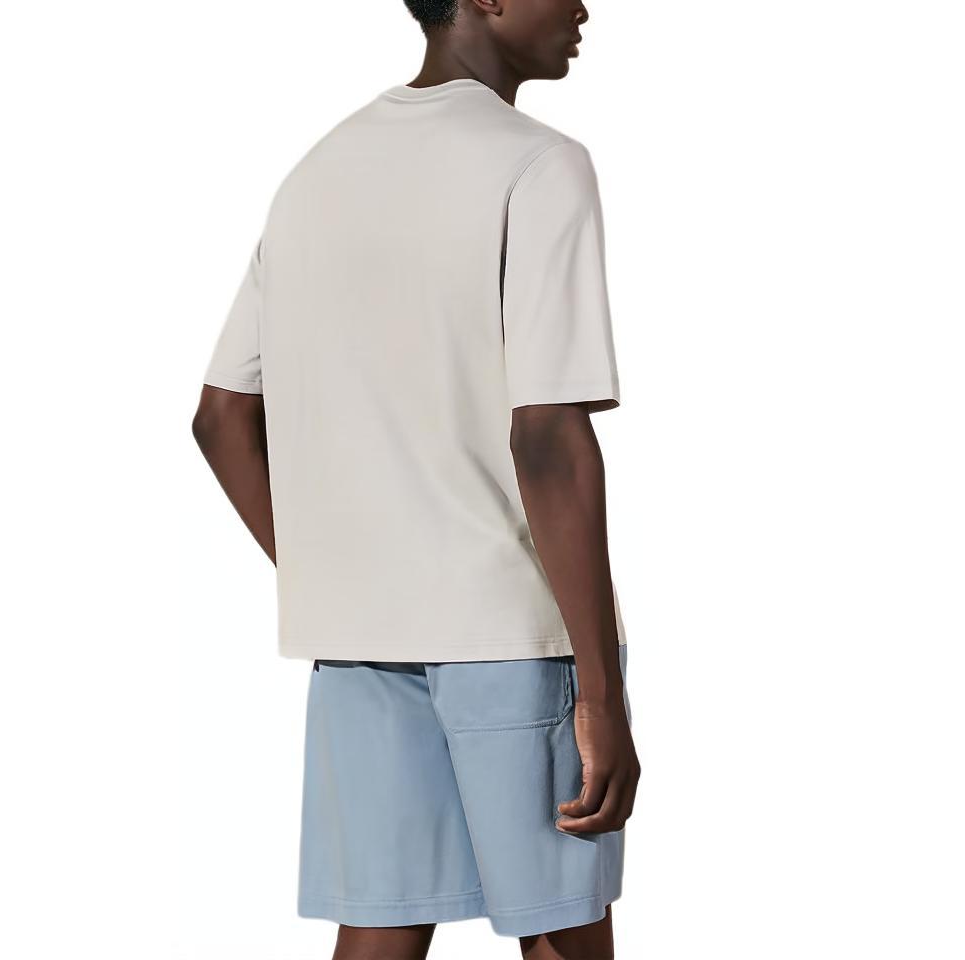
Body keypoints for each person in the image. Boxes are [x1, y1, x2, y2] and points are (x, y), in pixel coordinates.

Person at [193, 2, 640, 957]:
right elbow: (548, 438)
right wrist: (601, 695)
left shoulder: (318, 172)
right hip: (509, 635)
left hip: (360, 643)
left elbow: (222, 416)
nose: (583, 6)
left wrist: (339, 575)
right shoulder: (538, 163)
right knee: (563, 932)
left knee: (380, 930)